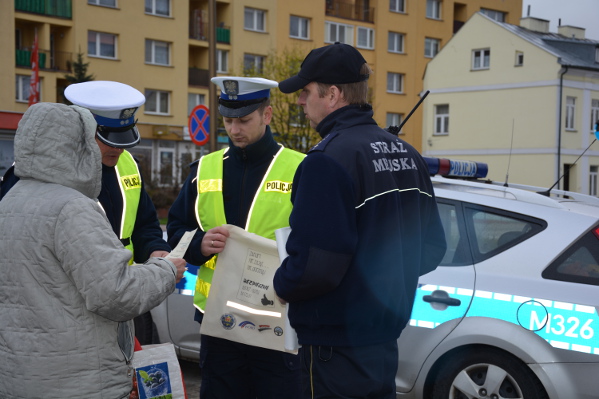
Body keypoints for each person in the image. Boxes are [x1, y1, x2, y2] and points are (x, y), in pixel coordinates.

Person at [273, 42, 447, 399]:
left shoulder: (326, 160)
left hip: (332, 348)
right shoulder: (408, 155)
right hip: (383, 341)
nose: (301, 102)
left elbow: (315, 268)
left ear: (333, 94)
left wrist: (279, 283)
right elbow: (432, 249)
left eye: (306, 93)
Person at [0, 102, 187, 398]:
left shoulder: (9, 203)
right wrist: (165, 271)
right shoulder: (71, 208)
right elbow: (116, 294)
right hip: (77, 380)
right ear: (81, 145)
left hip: (20, 376)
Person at [167, 76, 305, 399]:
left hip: (276, 322)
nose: (234, 129)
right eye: (228, 120)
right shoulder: (204, 169)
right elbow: (175, 230)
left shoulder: (300, 169)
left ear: (267, 115)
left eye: (244, 120)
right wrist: (198, 244)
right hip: (217, 323)